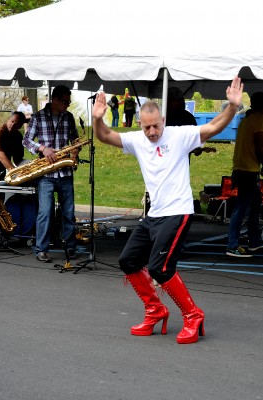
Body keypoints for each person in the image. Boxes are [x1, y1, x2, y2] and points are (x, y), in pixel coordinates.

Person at [92, 76, 243, 345]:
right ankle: (155, 310)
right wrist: (98, 118)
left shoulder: (180, 136)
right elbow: (104, 135)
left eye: (156, 126)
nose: (152, 132)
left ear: (163, 121)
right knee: (128, 260)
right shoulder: (138, 140)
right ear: (140, 124)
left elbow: (213, 127)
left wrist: (231, 107)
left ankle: (193, 315)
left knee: (160, 267)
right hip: (155, 215)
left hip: (178, 211)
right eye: (147, 127)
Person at [23, 85, 80, 263]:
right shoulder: (38, 117)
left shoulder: (69, 117)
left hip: (65, 173)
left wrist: (75, 150)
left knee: (69, 213)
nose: (67, 105)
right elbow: (26, 140)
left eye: (68, 102)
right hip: (46, 174)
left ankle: (70, 248)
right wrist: (42, 148)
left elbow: (75, 139)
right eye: (64, 101)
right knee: (45, 213)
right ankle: (41, 249)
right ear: (54, 100)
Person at [226, 92, 263, 258]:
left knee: (254, 206)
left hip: (242, 168)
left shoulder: (246, 121)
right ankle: (232, 245)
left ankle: (254, 241)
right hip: (248, 169)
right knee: (241, 207)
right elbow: (260, 147)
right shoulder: (259, 120)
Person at [0, 112, 26, 186]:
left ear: (20, 126)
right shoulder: (0, 131)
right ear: (8, 120)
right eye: (12, 121)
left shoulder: (18, 136)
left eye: (16, 124)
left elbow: (17, 159)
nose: (13, 124)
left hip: (3, 168)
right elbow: (0, 156)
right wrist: (15, 172)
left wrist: (27, 166)